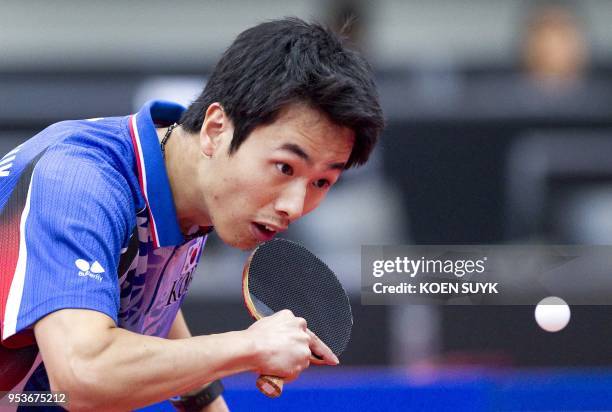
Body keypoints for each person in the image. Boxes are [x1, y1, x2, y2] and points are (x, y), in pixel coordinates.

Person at [0, 17, 384, 411]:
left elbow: (150, 306)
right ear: (217, 129)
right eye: (285, 167)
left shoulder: (189, 188)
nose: (294, 206)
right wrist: (248, 346)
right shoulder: (78, 183)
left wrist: (207, 400)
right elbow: (82, 374)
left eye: (321, 183)